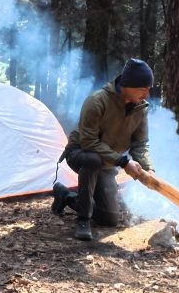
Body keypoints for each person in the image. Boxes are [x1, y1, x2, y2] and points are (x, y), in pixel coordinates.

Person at [52, 58, 155, 241]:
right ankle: (83, 220)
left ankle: (66, 197)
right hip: (80, 152)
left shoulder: (140, 108)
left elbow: (140, 144)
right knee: (93, 160)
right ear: (128, 85)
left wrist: (148, 169)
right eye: (143, 89)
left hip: (108, 162)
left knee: (109, 219)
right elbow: (89, 141)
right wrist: (123, 162)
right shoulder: (97, 101)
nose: (147, 94)